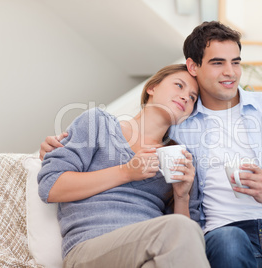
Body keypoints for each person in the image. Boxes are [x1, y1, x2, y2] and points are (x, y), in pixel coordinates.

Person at [41, 21, 262, 267]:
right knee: (223, 241)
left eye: (236, 62)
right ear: (193, 66)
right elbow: (58, 177)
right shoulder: (176, 129)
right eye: (218, 62)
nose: (230, 72)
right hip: (226, 237)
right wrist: (54, 149)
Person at [38, 64, 210, 268]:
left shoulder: (182, 159)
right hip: (89, 250)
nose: (185, 97)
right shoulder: (98, 124)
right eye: (179, 86)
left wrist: (182, 196)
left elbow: (188, 244)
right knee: (179, 229)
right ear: (152, 88)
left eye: (192, 98)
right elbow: (50, 186)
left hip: (148, 255)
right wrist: (125, 172)